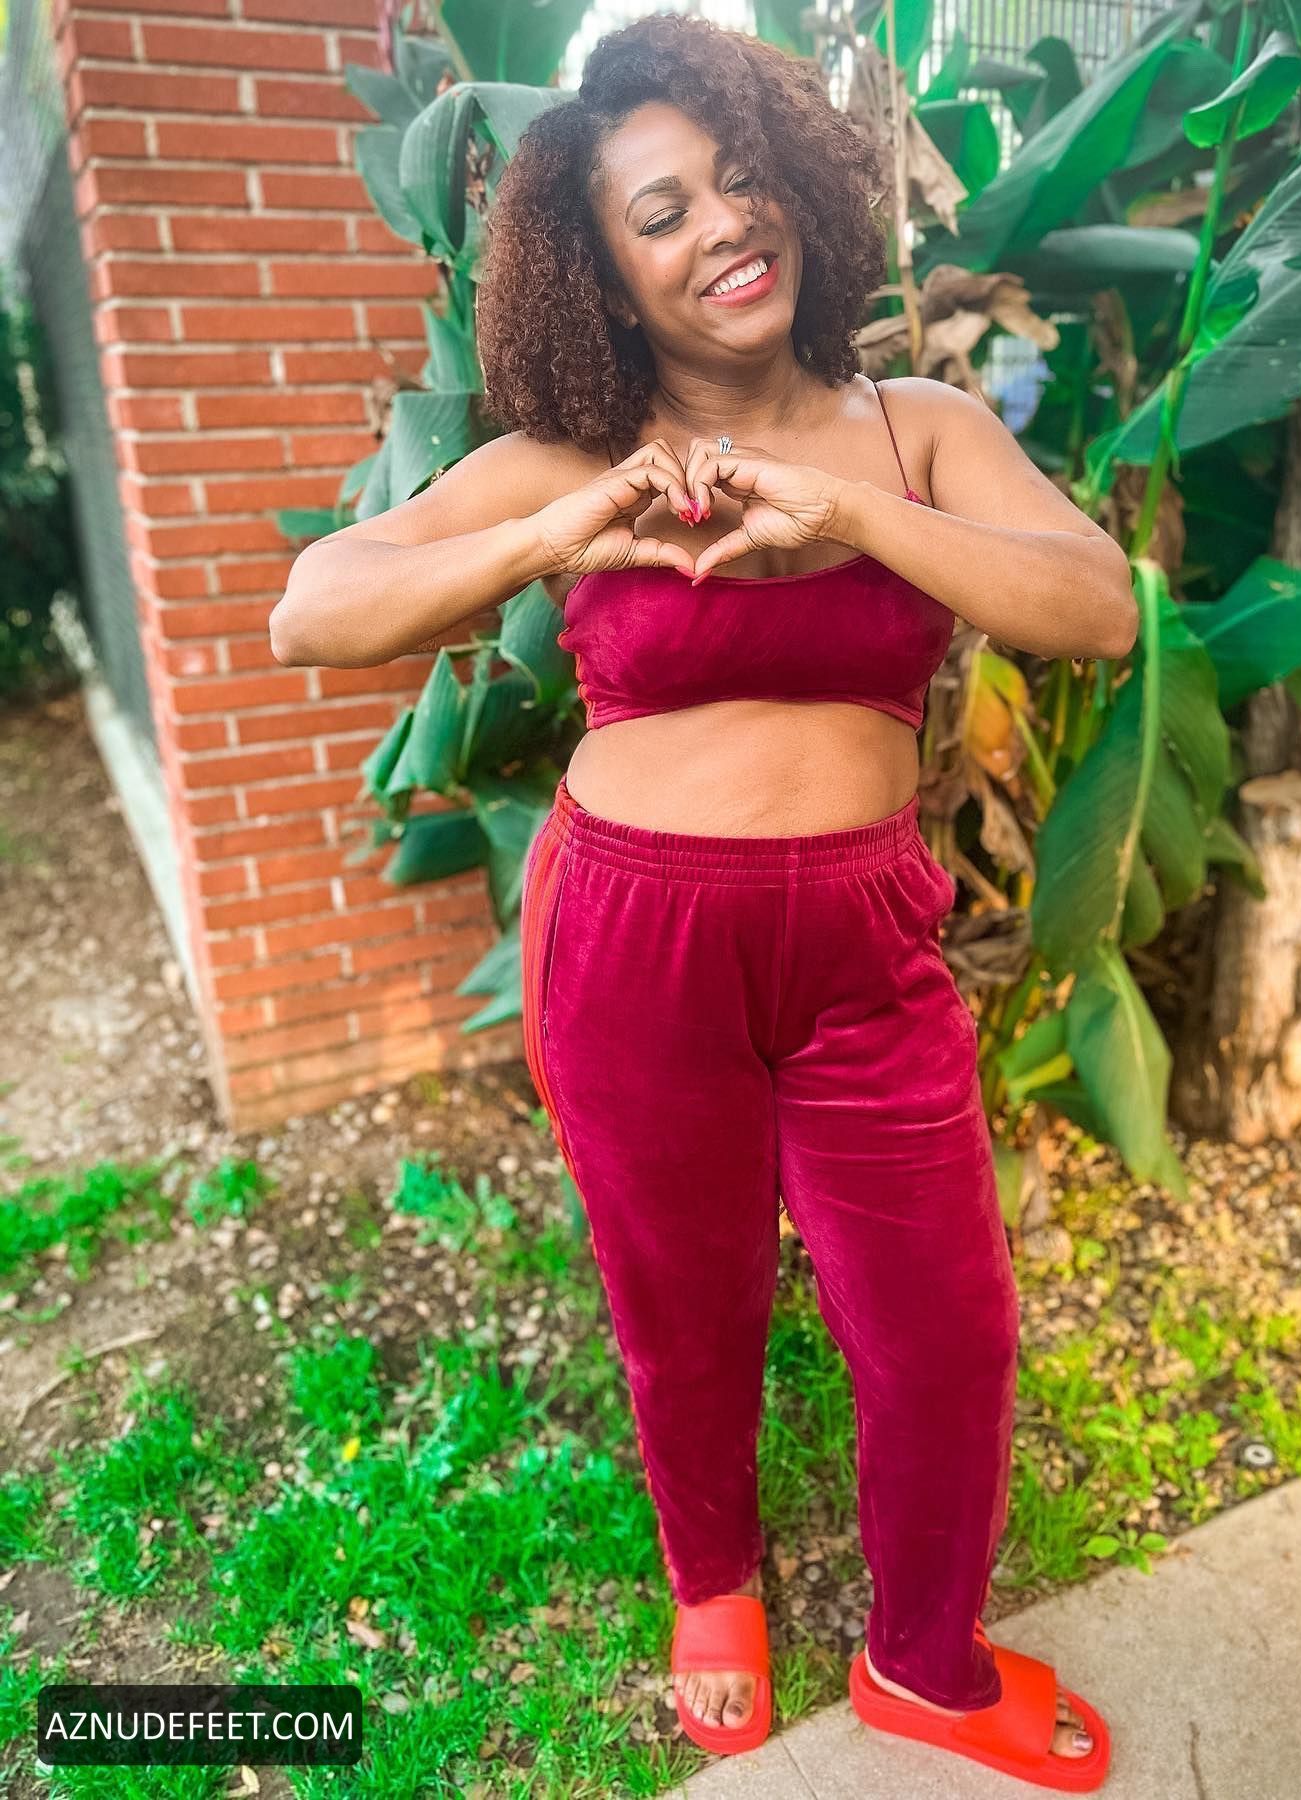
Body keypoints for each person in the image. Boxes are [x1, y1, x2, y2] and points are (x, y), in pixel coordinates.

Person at [270, 13, 1134, 1789]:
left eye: (743, 181)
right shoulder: (569, 454)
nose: (723, 226)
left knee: (946, 1327)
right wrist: (557, 531)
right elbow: (315, 609)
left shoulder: (913, 429)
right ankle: (712, 1583)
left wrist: (853, 516)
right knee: (685, 1302)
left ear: (798, 188)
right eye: (661, 213)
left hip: (863, 944)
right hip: (634, 945)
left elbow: (1096, 604)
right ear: (604, 273)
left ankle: (924, 1664)